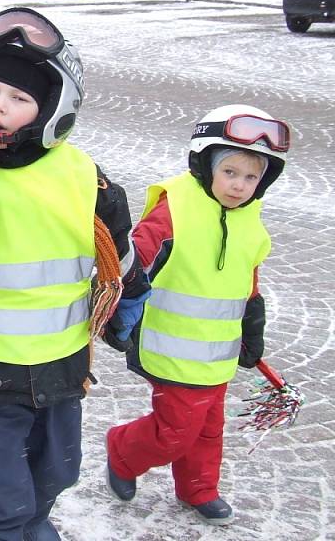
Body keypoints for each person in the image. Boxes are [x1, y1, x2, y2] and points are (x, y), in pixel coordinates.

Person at [0, 7, 150, 541]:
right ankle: (3, 532)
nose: (0, 106)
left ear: (52, 110)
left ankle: (34, 526)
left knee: (59, 471)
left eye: (19, 99)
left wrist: (129, 306)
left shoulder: (83, 174)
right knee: (6, 492)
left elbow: (118, 248)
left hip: (63, 360)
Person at [105, 104, 290, 526]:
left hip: (218, 352)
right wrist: (119, 306)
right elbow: (137, 258)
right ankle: (122, 450)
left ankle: (199, 488)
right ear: (205, 164)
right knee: (175, 430)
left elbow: (249, 281)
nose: (240, 186)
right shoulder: (177, 207)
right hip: (170, 345)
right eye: (230, 172)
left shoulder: (250, 220)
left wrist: (251, 327)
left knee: (207, 427)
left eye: (251, 177)